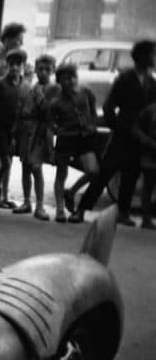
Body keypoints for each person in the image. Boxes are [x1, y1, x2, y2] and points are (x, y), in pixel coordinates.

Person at [69, 40, 156, 224]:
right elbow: (109, 107)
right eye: (152, 53)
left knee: (131, 176)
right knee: (105, 173)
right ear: (141, 57)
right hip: (122, 135)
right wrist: (118, 127)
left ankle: (123, 213)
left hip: (140, 136)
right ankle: (81, 209)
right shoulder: (125, 79)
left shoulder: (151, 82)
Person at [48, 63, 102, 223]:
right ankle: (59, 209)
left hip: (84, 137)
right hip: (66, 139)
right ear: (59, 81)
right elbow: (50, 123)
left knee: (93, 171)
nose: (70, 81)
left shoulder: (85, 92)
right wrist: (57, 133)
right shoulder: (56, 102)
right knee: (61, 174)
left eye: (73, 77)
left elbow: (93, 110)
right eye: (66, 78)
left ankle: (71, 192)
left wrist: (92, 124)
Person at [13, 54, 58, 220]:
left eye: (47, 69)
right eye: (40, 69)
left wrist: (40, 98)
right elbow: (22, 108)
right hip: (26, 130)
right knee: (25, 166)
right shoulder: (32, 87)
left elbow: (50, 113)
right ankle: (26, 202)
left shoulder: (53, 89)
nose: (43, 72)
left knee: (36, 167)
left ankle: (39, 205)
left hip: (40, 132)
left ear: (52, 71)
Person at [0, 49, 28, 209]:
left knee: (9, 164)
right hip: (1, 129)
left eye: (18, 65)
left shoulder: (24, 85)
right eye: (11, 64)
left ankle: (4, 197)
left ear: (22, 66)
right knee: (4, 163)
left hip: (14, 131)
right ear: (7, 65)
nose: (14, 68)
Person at [132, 99, 156, 229]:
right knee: (148, 186)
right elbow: (135, 128)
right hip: (151, 153)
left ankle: (147, 218)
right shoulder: (150, 110)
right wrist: (148, 141)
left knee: (148, 187)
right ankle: (146, 218)